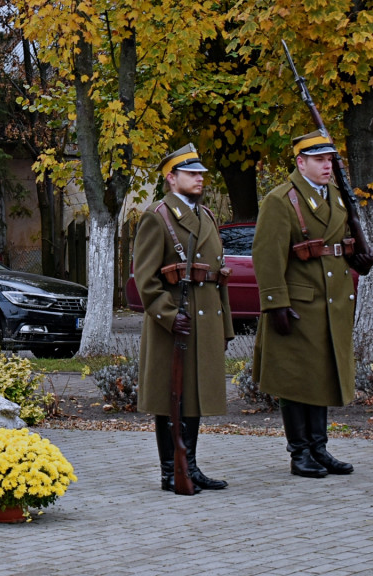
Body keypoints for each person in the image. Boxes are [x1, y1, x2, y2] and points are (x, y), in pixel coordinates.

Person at [251, 130, 358, 479]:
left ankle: (318, 448)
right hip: (300, 304)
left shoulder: (337, 198)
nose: (327, 165)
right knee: (296, 381)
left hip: (331, 304)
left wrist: (360, 258)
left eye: (329, 159)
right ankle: (299, 453)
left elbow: (341, 244)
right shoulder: (281, 200)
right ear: (301, 162)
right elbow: (267, 257)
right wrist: (275, 304)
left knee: (320, 376)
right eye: (319, 160)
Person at [133, 143, 235, 495]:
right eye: (192, 173)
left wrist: (226, 326)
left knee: (194, 395)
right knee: (170, 396)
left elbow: (218, 275)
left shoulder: (205, 216)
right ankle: (170, 470)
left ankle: (189, 465)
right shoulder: (157, 217)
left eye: (201, 173)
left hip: (203, 321)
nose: (199, 178)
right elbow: (145, 280)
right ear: (171, 178)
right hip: (173, 324)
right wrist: (167, 313)